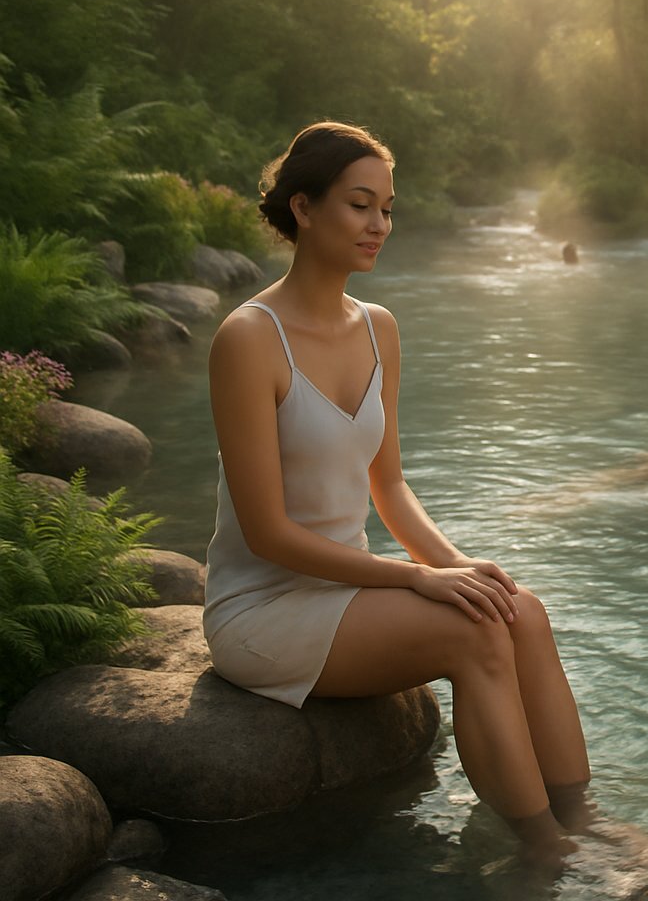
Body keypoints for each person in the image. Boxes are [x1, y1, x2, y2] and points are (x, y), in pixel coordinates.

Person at [203, 122, 590, 864]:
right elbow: (267, 533)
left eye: (386, 208)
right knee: (473, 634)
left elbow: (390, 485)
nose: (378, 224)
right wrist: (413, 577)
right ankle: (547, 851)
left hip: (346, 589)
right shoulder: (248, 338)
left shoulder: (378, 328)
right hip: (264, 608)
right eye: (359, 205)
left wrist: (458, 566)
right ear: (303, 208)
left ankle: (586, 820)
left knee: (521, 612)